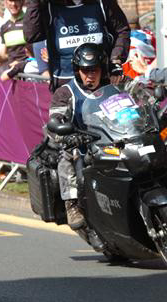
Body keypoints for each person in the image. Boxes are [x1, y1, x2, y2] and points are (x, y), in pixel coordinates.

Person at [49, 43, 109, 238]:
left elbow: (138, 94)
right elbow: (55, 121)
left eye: (95, 70)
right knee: (66, 156)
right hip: (81, 144)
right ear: (77, 70)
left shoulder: (114, 83)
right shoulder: (65, 92)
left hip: (112, 140)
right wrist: (63, 133)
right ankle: (72, 203)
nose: (90, 75)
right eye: (85, 70)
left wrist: (151, 100)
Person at [23, 0, 130, 91]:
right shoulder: (49, 6)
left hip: (101, 82)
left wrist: (116, 61)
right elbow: (32, 36)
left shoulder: (102, 2)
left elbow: (122, 31)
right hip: (65, 84)